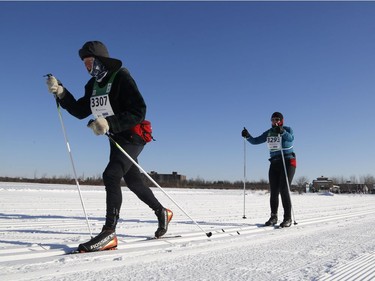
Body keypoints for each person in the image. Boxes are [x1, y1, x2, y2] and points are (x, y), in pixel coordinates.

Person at [46, 41, 173, 252]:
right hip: (116, 137)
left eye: (89, 62)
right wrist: (61, 92)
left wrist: (110, 122)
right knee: (134, 182)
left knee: (111, 174)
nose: (87, 67)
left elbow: (139, 110)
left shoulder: (121, 77)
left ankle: (109, 233)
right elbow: (79, 110)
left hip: (133, 136)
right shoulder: (93, 85)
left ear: (101, 60)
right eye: (84, 63)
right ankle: (162, 212)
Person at [242, 112, 296, 228]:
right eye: (272, 120)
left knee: (284, 188)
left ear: (281, 120)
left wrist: (282, 131)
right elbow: (256, 141)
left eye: (277, 119)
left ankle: (287, 218)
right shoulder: (269, 132)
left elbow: (291, 139)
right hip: (275, 162)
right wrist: (247, 136)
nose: (274, 122)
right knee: (274, 190)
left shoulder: (288, 129)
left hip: (287, 162)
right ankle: (273, 217)